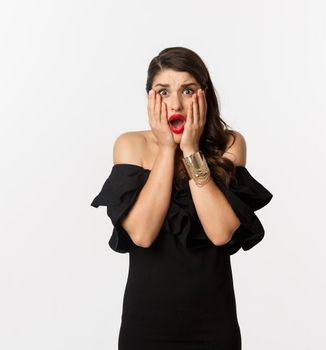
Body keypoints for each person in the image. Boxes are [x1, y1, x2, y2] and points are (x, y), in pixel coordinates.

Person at [91, 46, 273, 350]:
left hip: (213, 324)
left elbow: (220, 232)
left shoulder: (230, 144)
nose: (175, 103)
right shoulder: (130, 145)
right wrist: (166, 149)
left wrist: (190, 150)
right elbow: (143, 234)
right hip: (146, 324)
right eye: (163, 92)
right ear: (150, 98)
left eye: (187, 90)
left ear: (204, 94)